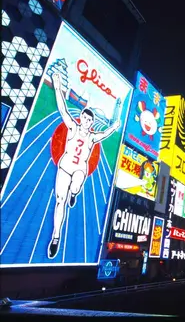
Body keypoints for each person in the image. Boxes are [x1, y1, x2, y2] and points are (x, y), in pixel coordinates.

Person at [48, 72, 121, 259]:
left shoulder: (92, 136)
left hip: (80, 168)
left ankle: (74, 192)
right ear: (81, 118)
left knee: (77, 182)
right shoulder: (73, 127)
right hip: (65, 167)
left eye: (90, 120)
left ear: (92, 122)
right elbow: (63, 109)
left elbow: (104, 135)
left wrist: (113, 127)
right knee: (59, 201)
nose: (87, 122)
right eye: (85, 118)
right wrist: (57, 86)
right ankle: (56, 237)